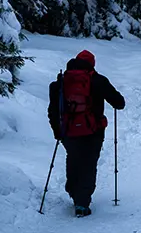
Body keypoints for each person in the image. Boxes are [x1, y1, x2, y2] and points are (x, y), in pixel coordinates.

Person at [47, 50, 125, 217]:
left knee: (74, 159)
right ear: (92, 64)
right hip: (93, 131)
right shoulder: (98, 80)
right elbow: (119, 103)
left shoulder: (60, 82)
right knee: (88, 164)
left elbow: (53, 110)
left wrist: (57, 131)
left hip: (68, 131)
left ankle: (74, 192)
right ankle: (82, 203)